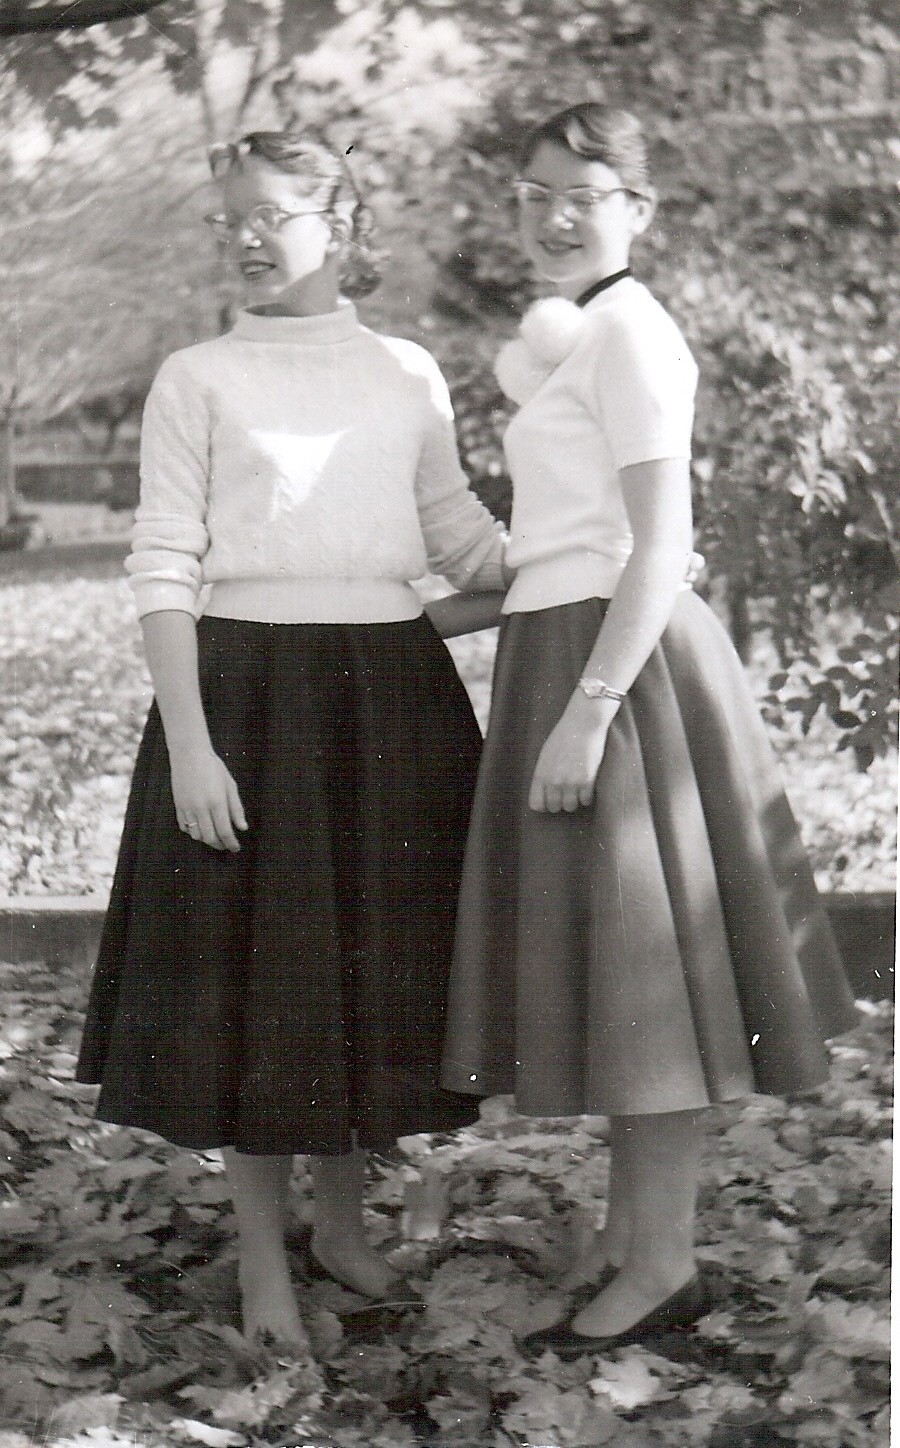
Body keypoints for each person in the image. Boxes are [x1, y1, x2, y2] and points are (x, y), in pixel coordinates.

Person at [76, 129, 508, 1351]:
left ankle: (343, 1229)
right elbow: (164, 564)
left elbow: (465, 547)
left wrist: (610, 556)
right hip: (244, 704)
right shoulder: (197, 377)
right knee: (263, 989)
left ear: (343, 222)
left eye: (271, 214)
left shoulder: (406, 371)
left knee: (362, 978)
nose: (247, 239)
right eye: (231, 220)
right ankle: (264, 1255)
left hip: (392, 707)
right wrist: (192, 744)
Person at [441, 103, 858, 1356]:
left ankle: (667, 1257)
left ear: (640, 209)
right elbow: (558, 540)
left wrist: (590, 710)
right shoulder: (581, 335)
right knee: (626, 974)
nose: (555, 215)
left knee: (650, 977)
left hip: (620, 672)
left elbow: (660, 539)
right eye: (535, 192)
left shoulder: (630, 331)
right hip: (566, 646)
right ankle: (633, 1237)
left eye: (585, 192)